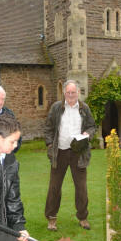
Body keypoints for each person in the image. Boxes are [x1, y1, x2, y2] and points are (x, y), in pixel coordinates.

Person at [44, 80, 96, 231]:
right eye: (68, 92)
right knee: (54, 187)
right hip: (59, 152)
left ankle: (83, 217)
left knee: (81, 187)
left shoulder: (84, 108)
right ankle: (51, 219)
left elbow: (92, 126)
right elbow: (48, 128)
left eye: (73, 92)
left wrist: (88, 133)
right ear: (64, 93)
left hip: (78, 153)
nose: (71, 95)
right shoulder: (56, 107)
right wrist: (49, 145)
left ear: (78, 93)